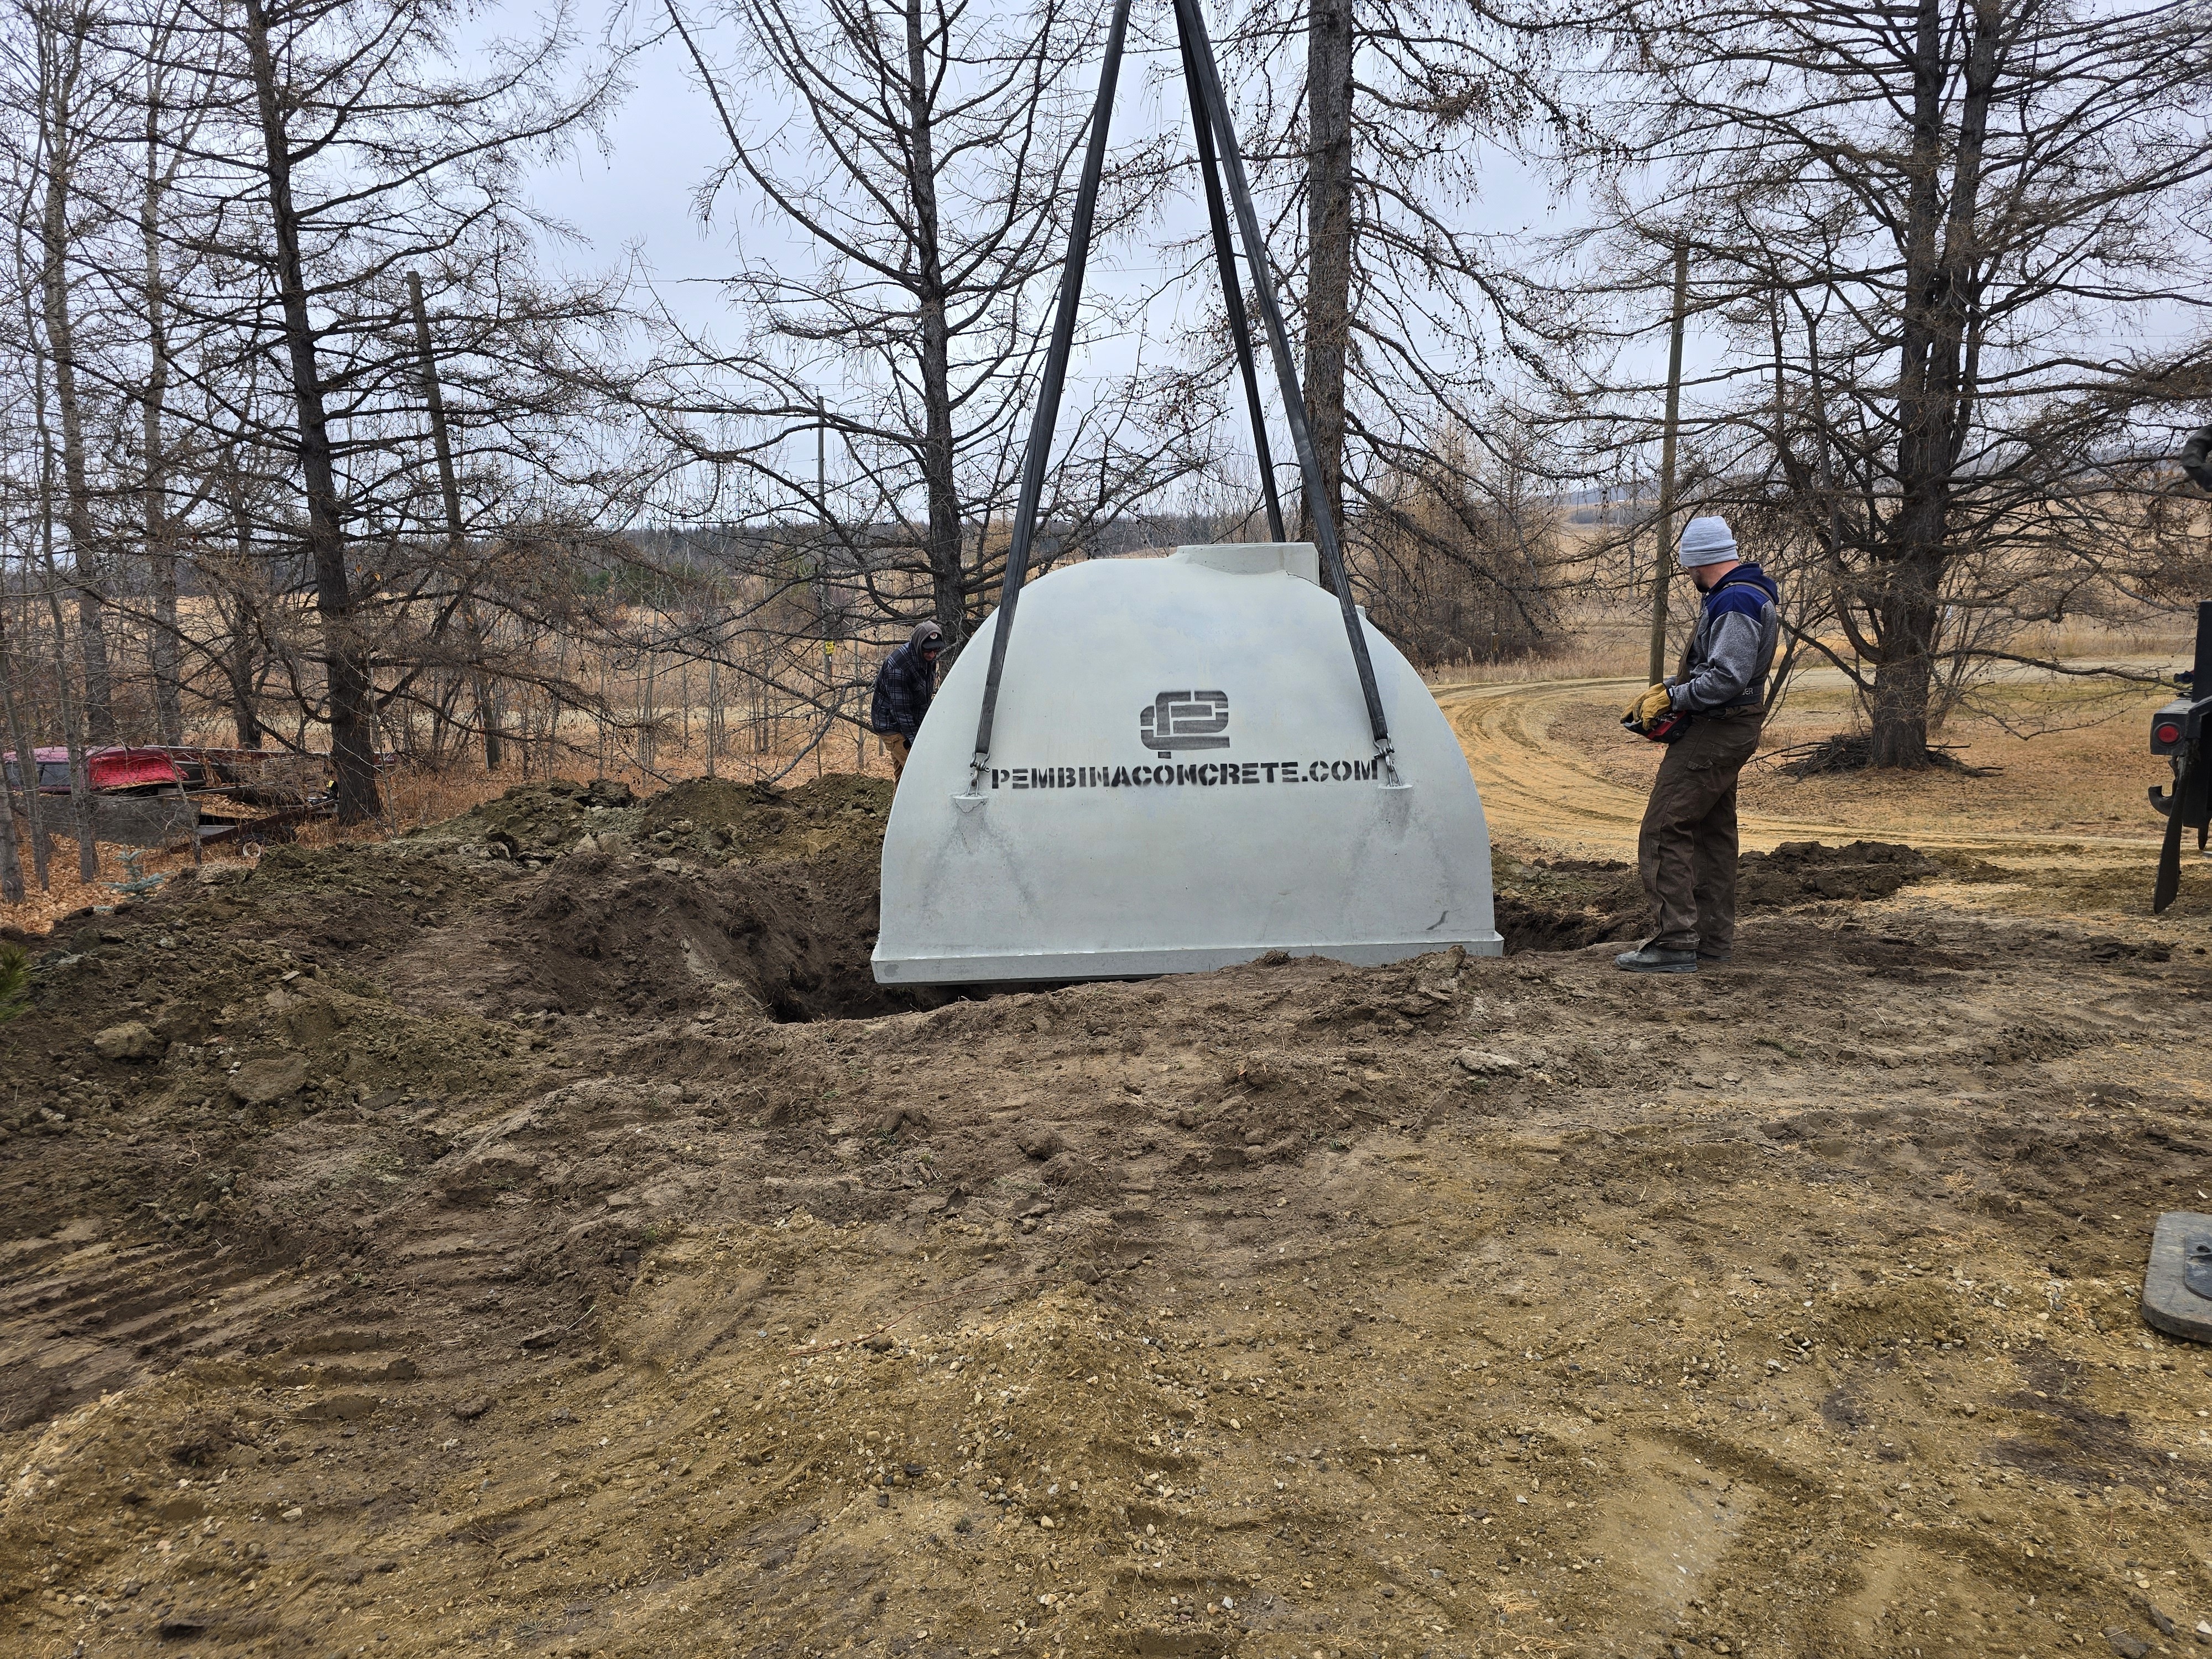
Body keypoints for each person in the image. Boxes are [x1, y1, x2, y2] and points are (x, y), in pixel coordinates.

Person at [1615, 515, 1781, 974]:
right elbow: (1722, 667)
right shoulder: (1747, 592)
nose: (1686, 572)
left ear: (1697, 559)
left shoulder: (1736, 601)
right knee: (1712, 833)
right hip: (1730, 727)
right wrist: (1669, 686)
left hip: (1717, 728)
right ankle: (1710, 940)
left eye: (1686, 563)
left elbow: (1727, 678)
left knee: (1665, 828)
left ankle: (1674, 943)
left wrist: (1673, 696)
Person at [870, 620, 945, 779]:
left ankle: (899, 804)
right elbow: (901, 712)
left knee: (904, 777)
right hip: (892, 726)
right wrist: (917, 743)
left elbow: (923, 699)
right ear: (919, 646)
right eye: (928, 651)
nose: (932, 655)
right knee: (920, 775)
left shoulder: (928, 660)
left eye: (935, 651)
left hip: (909, 720)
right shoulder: (899, 667)